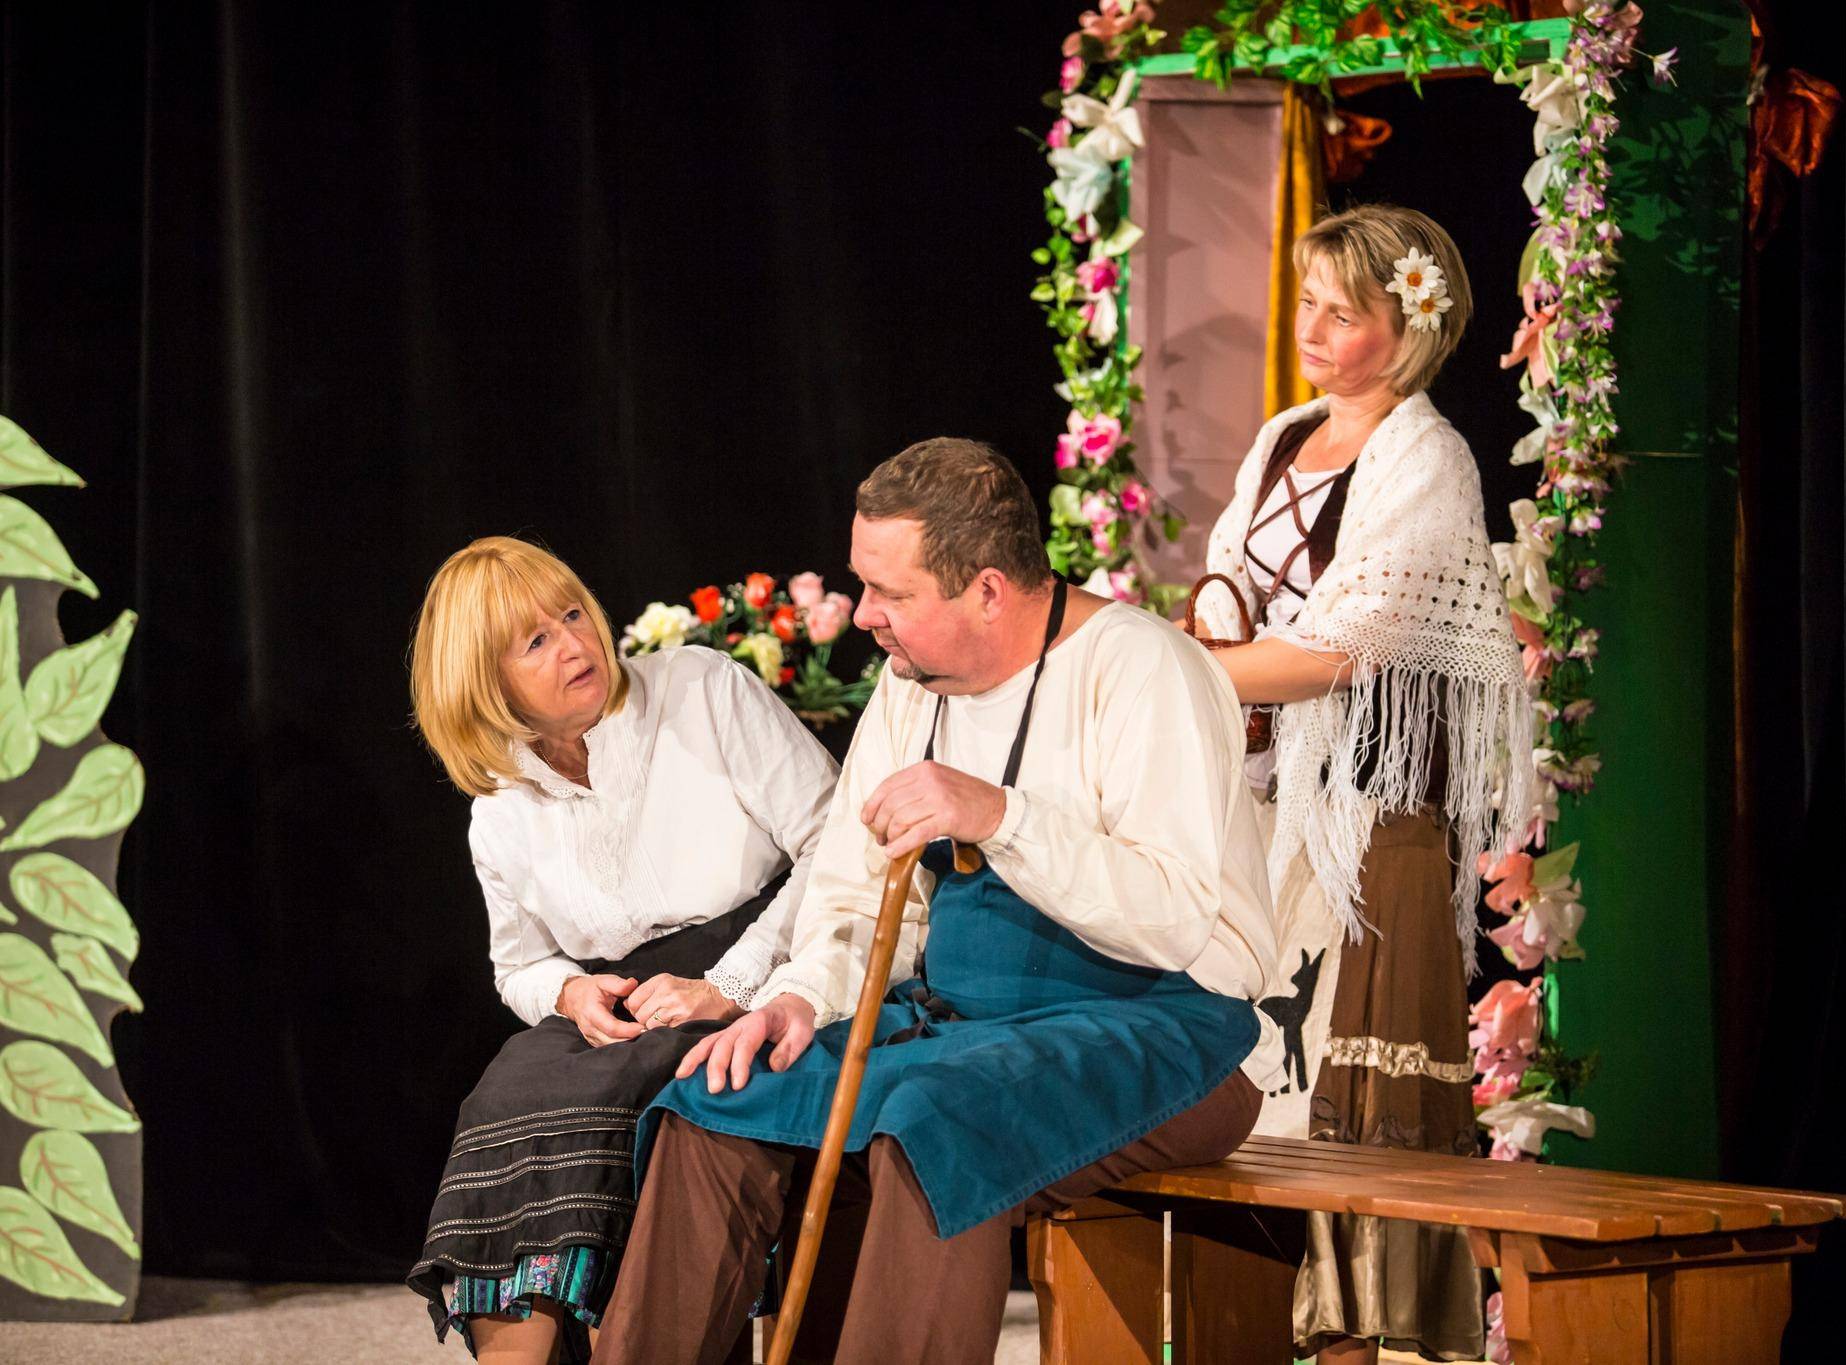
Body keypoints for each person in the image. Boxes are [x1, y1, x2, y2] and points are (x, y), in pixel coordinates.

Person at [590, 439, 1283, 1365]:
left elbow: (1175, 914)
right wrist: (799, 998)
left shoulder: (1145, 670)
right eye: (862, 585)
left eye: (891, 592)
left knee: (932, 1123)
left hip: (1169, 1031)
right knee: (719, 1091)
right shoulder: (911, 686)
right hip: (963, 1023)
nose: (865, 614)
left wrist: (1001, 815)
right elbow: (852, 891)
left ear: (988, 590)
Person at [1193, 204, 1538, 1363]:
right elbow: (1232, 583)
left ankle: (1371, 1340)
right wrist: (1207, 640)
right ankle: (1266, 1324)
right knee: (1270, 1065)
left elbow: (1345, 647)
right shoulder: (1284, 436)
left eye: (1343, 315)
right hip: (1273, 798)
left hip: (1374, 813)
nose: (1313, 331)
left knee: (1359, 1073)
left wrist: (1186, 672)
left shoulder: (1424, 458)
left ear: (1410, 328)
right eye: (1309, 305)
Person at [404, 536, 838, 1363]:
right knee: (506, 1094)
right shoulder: (499, 808)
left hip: (763, 963)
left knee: (623, 1102)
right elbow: (519, 966)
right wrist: (570, 993)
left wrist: (731, 981)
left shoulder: (703, 690)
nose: (574, 644)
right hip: (624, 1005)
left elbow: (834, 846)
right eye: (536, 640)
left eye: (573, 614)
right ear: (484, 683)